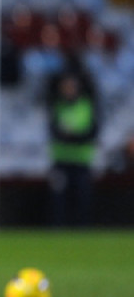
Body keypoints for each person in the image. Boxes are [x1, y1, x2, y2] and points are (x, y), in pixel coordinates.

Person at [46, 61, 99, 227]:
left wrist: (71, 135)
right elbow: (54, 132)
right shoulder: (58, 106)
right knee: (58, 200)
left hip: (82, 162)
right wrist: (69, 135)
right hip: (61, 162)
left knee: (82, 198)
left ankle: (82, 231)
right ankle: (58, 231)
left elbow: (91, 133)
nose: (68, 89)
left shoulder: (86, 106)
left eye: (71, 86)